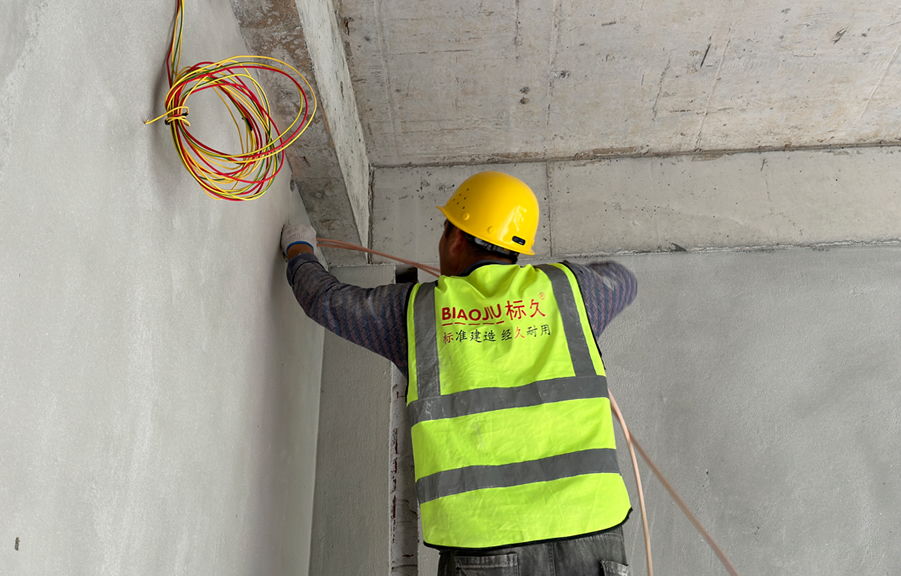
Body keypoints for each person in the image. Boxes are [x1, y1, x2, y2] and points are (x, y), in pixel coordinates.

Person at [281, 171, 638, 576]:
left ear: (454, 239)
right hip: (593, 531)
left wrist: (299, 249)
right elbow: (623, 280)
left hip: (484, 542)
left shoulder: (415, 314)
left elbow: (326, 301)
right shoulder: (573, 292)